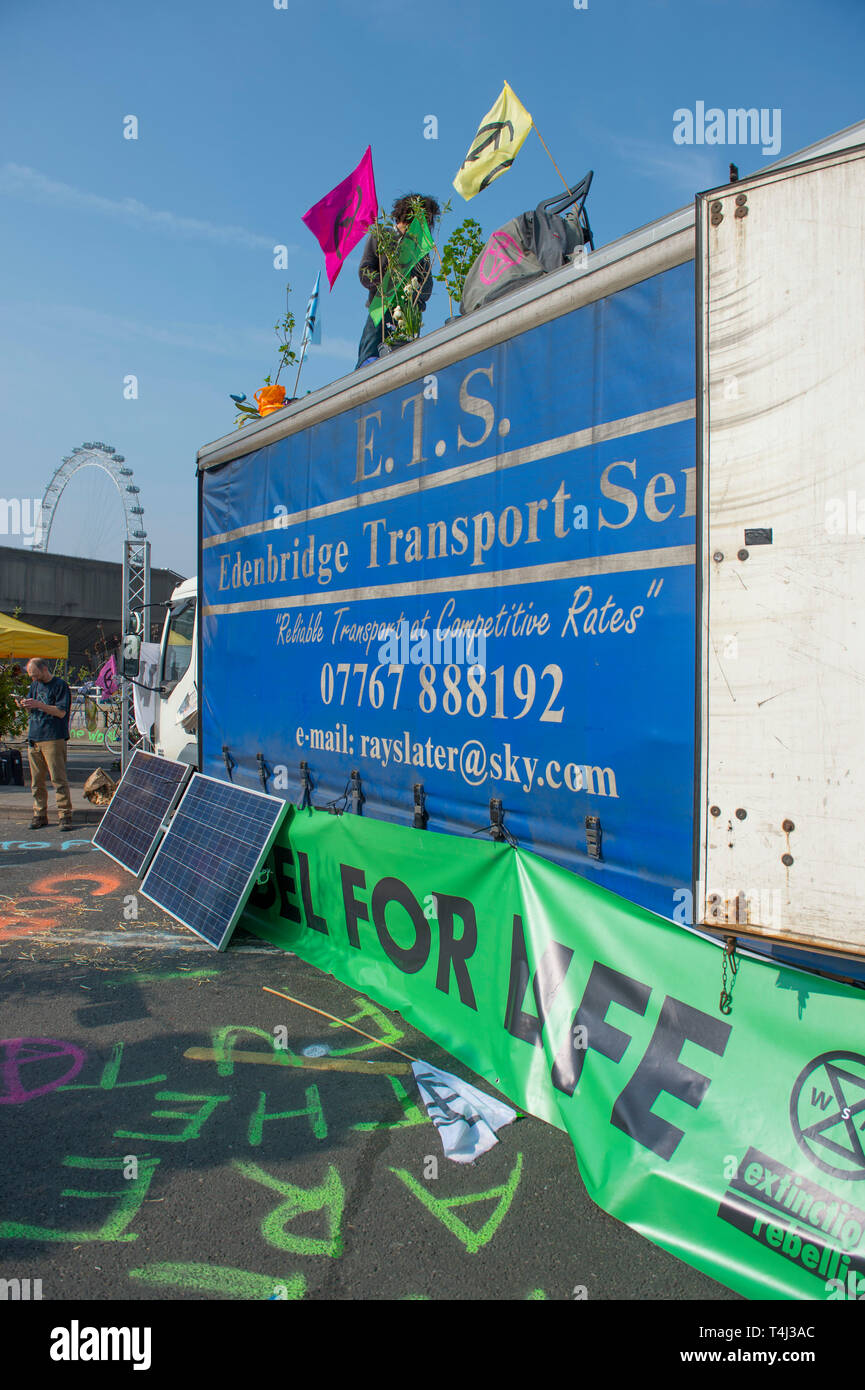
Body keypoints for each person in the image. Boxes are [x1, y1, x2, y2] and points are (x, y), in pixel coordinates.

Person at [356, 194, 441, 368]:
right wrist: (387, 284)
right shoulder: (381, 235)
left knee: (405, 367)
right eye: (426, 220)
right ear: (412, 215)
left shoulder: (419, 251)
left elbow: (427, 287)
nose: (427, 226)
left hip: (408, 319)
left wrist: (413, 295)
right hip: (381, 310)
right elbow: (365, 271)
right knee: (369, 361)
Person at [19, 657, 73, 830]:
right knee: (36, 780)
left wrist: (39, 705)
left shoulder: (60, 685)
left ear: (44, 669)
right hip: (35, 736)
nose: (33, 679)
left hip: (53, 737)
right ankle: (39, 814)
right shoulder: (34, 685)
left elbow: (61, 712)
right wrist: (26, 705)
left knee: (58, 778)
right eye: (31, 676)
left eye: (35, 675)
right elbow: (33, 704)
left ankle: (65, 814)